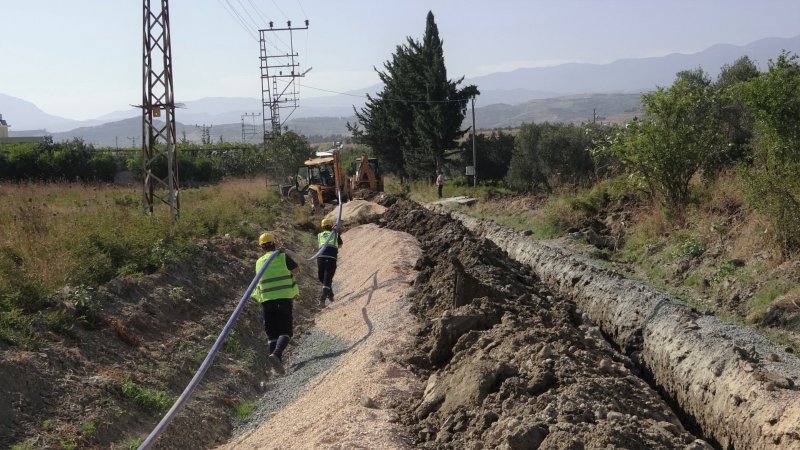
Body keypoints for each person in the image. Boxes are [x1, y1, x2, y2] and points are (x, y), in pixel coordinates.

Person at [252, 232, 300, 376]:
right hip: (283, 299)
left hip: (267, 301)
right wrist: (283, 253)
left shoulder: (259, 262)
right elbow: (296, 270)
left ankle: (276, 366)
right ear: (274, 243)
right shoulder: (282, 256)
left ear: (262, 247)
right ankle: (277, 353)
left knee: (272, 334)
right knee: (286, 331)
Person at [317, 217, 343, 306]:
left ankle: (323, 298)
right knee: (326, 279)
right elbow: (340, 245)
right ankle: (330, 294)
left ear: (322, 226)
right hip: (330, 258)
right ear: (331, 225)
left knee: (323, 278)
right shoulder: (335, 234)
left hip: (321, 258)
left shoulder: (319, 235)